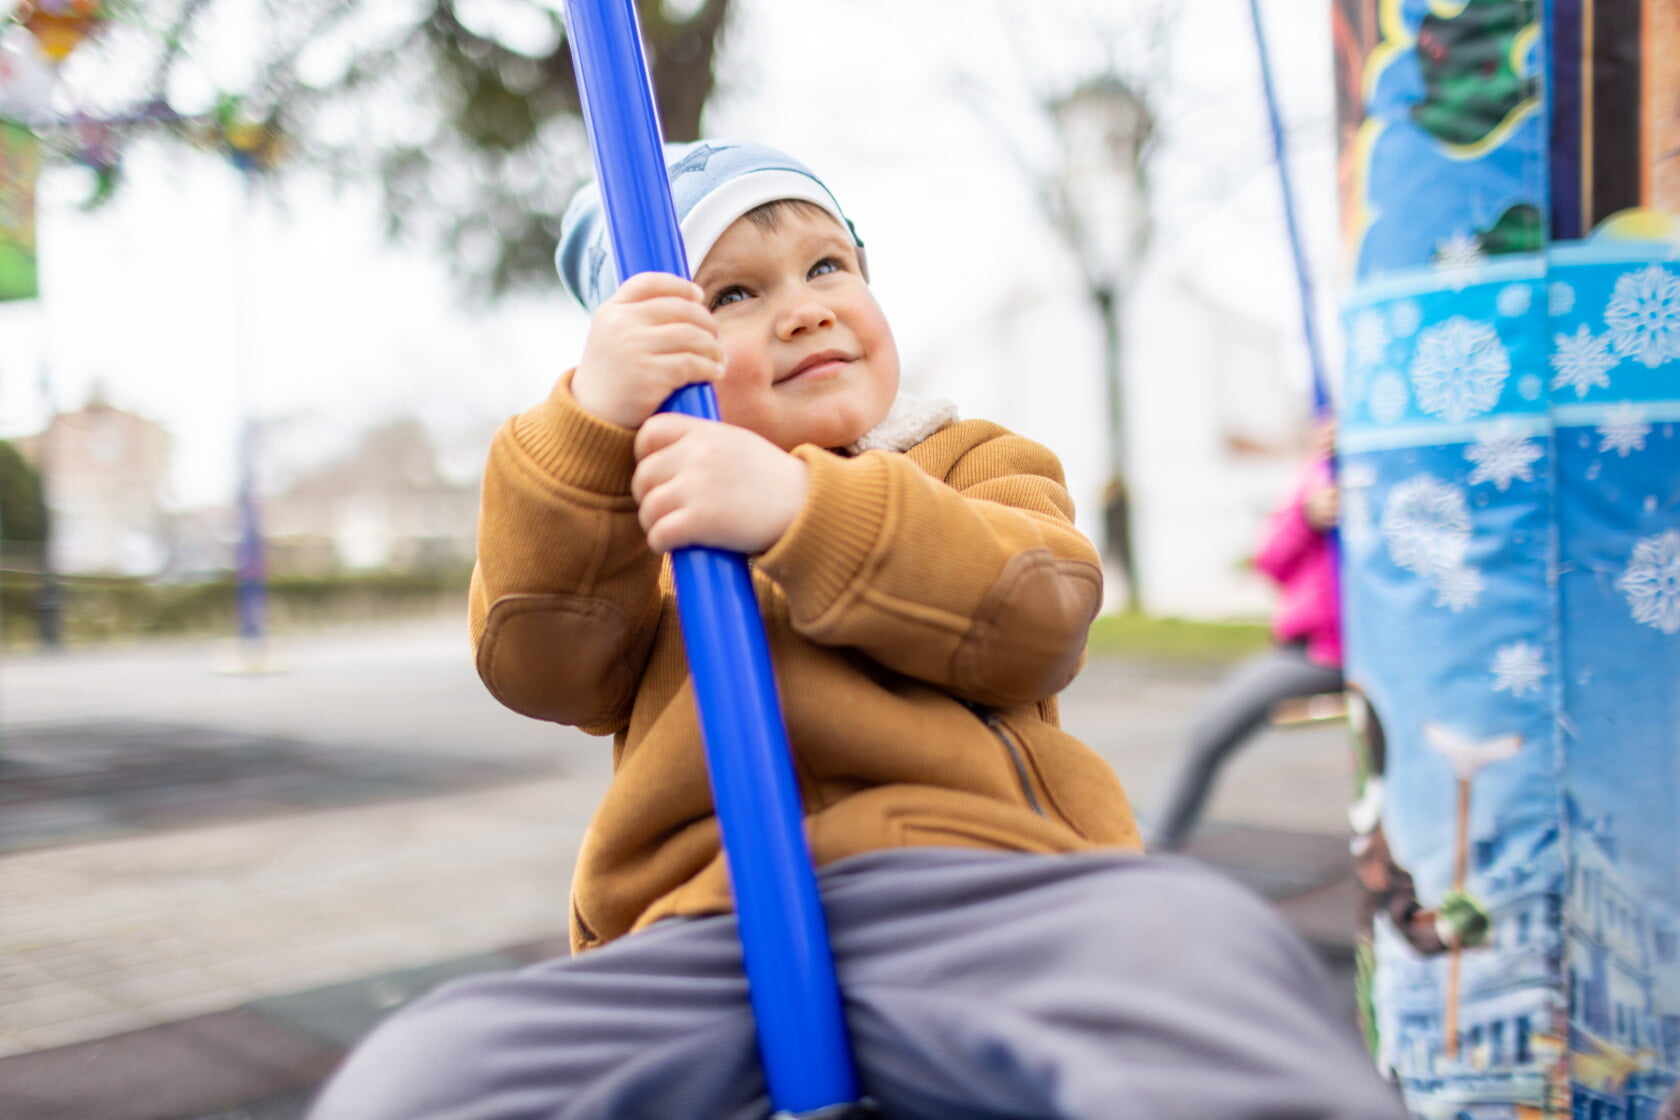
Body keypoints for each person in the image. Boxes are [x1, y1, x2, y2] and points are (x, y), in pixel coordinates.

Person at [307, 141, 1406, 1120]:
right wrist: (586, 432)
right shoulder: (634, 522)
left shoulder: (967, 457)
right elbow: (539, 663)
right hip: (703, 927)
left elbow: (1040, 611)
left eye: (828, 266)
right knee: (426, 1072)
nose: (805, 307)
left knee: (1203, 958)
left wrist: (800, 511)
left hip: (982, 890)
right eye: (732, 292)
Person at [1147, 422, 1345, 851]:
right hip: (1309, 646)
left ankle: (1157, 840)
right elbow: (1270, 559)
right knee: (1207, 728)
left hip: (1340, 649)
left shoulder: (1372, 471)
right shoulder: (1319, 473)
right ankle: (1157, 839)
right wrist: (1307, 516)